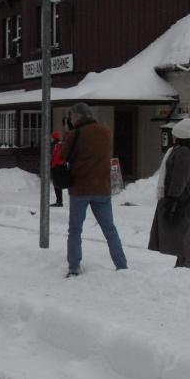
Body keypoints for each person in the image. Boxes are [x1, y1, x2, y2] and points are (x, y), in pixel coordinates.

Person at [60, 103, 128, 276]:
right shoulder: (106, 132)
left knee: (75, 229)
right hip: (102, 188)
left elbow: (63, 156)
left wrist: (68, 132)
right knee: (109, 228)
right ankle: (121, 265)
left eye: (72, 117)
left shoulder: (74, 134)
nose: (71, 120)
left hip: (80, 188)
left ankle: (74, 266)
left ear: (77, 116)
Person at [149, 118, 190, 268]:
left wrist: (173, 198)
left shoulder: (183, 153)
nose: (172, 137)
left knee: (182, 232)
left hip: (181, 200)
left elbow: (180, 178)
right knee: (182, 232)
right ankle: (183, 261)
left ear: (180, 136)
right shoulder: (185, 150)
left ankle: (185, 262)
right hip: (184, 199)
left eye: (174, 135)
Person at [49, 130, 64, 207]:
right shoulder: (61, 143)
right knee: (59, 183)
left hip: (55, 166)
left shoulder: (53, 144)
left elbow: (51, 154)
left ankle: (59, 201)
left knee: (56, 184)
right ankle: (59, 200)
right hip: (61, 165)